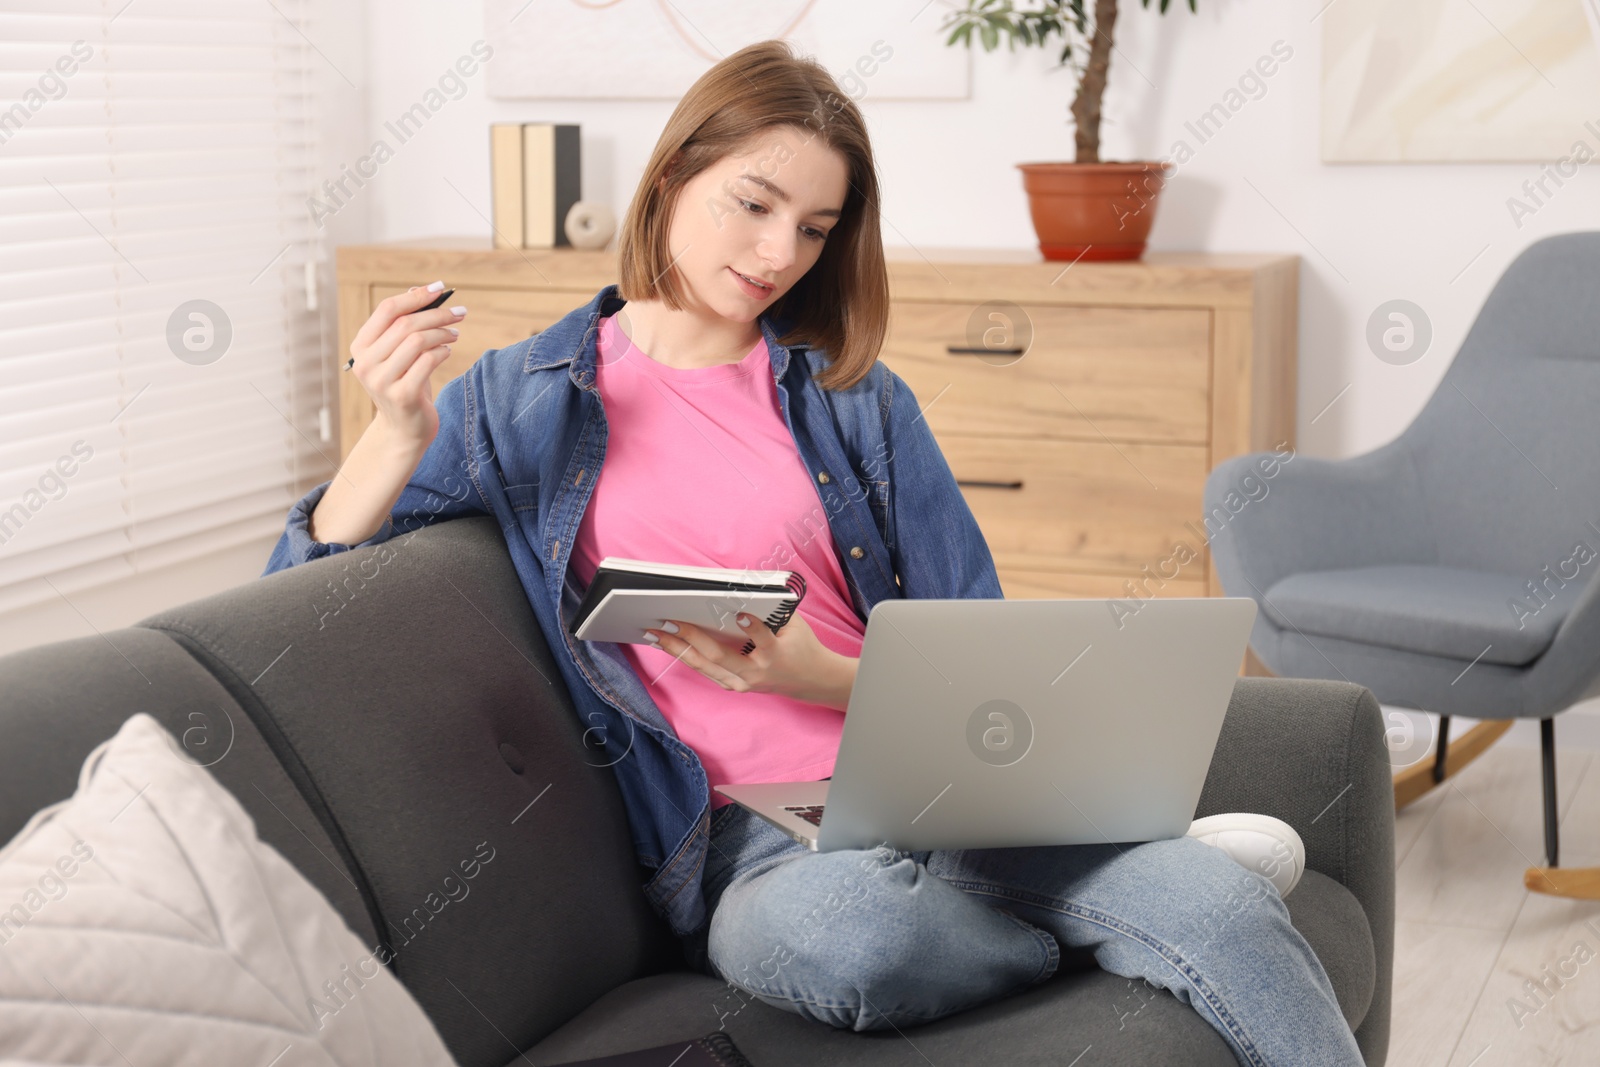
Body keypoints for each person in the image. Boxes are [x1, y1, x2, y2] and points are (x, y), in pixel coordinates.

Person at [263, 39, 1363, 1067]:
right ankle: (1088, 921)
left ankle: (1155, 884)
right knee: (852, 943)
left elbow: (979, 639)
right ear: (670, 179)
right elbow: (300, 603)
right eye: (754, 204)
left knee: (1220, 912)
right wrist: (397, 433)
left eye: (815, 226)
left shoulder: (853, 399)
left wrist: (821, 674)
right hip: (749, 843)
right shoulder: (523, 400)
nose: (778, 252)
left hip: (941, 790)